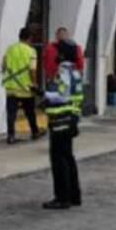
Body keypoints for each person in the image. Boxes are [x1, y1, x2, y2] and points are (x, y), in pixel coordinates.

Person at [41, 62, 84, 210]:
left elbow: (62, 96)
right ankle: (74, 196)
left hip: (61, 120)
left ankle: (62, 198)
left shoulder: (63, 71)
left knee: (59, 160)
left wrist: (44, 94)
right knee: (68, 158)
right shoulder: (75, 71)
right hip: (70, 119)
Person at [2, 27, 41, 143]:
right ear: (30, 38)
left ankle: (11, 135)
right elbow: (32, 70)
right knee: (30, 112)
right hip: (26, 88)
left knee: (11, 113)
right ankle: (35, 131)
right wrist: (34, 84)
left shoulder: (10, 49)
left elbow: (3, 65)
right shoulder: (31, 51)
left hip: (11, 86)